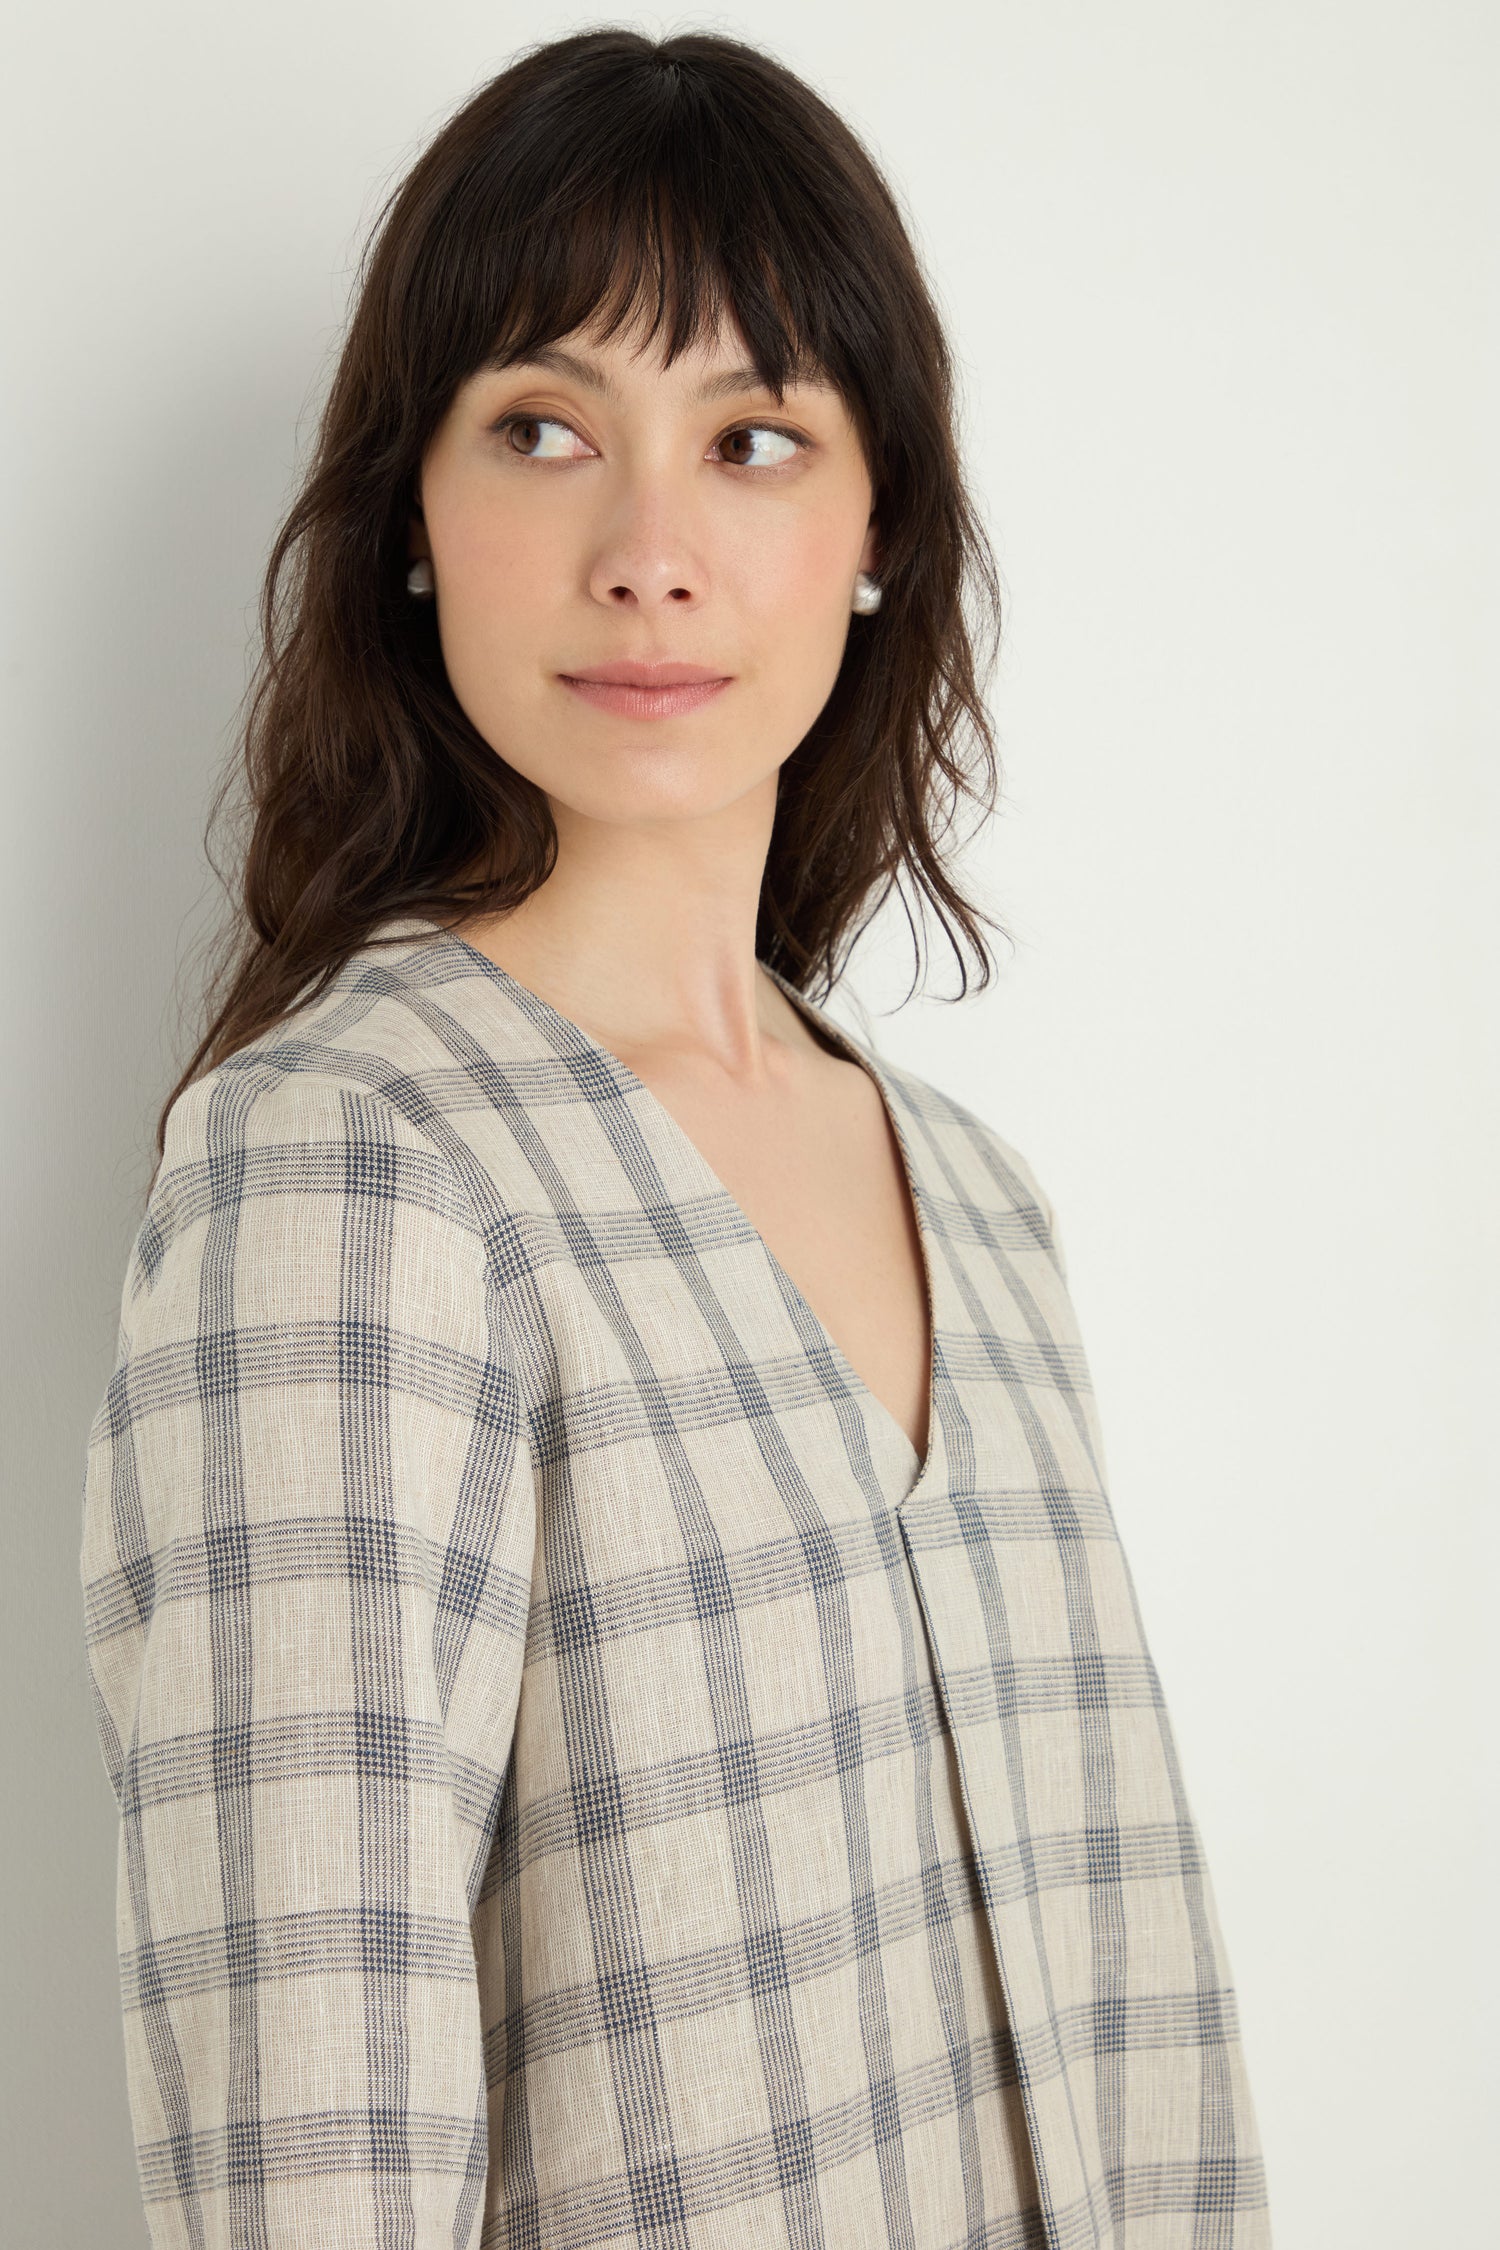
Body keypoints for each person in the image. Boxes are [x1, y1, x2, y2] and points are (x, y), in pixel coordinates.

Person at [78, 28, 1272, 2249]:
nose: (650, 553)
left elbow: (1146, 2024)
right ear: (410, 520)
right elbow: (303, 2143)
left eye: (752, 439)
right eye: (542, 430)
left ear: (875, 527)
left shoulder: (983, 1208)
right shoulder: (348, 1173)